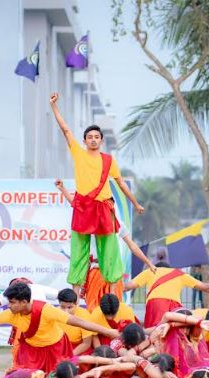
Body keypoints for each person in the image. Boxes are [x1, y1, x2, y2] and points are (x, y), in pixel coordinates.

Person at [50, 92, 144, 292]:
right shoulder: (78, 153)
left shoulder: (109, 160)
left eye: (96, 137)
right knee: (79, 250)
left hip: (103, 207)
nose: (93, 140)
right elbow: (65, 130)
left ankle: (111, 294)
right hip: (84, 207)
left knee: (109, 250)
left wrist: (135, 203)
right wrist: (54, 107)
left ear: (101, 141)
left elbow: (121, 184)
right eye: (89, 137)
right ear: (84, 141)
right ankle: (74, 297)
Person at [0, 282, 118, 372]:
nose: (8, 305)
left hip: (55, 348)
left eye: (12, 302)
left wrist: (107, 331)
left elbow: (78, 322)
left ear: (25, 301)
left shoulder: (46, 309)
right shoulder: (11, 314)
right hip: (31, 351)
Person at [124, 262, 209, 328]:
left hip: (155, 305)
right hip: (175, 307)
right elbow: (207, 287)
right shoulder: (179, 274)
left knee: (154, 336)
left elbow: (127, 287)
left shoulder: (151, 271)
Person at [57, 288, 94, 355]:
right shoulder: (54, 313)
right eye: (62, 307)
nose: (66, 312)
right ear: (59, 304)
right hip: (60, 346)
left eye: (70, 307)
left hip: (79, 347)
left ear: (76, 304)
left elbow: (86, 343)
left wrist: (70, 355)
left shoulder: (84, 315)